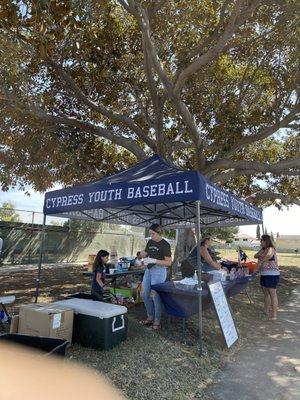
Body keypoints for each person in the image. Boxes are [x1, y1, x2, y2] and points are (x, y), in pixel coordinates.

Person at [139, 224, 172, 330]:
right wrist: (143, 255)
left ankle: (157, 321)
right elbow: (147, 254)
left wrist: (154, 261)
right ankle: (150, 317)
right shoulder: (150, 241)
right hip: (149, 270)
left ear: (159, 233)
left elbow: (169, 262)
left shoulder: (165, 244)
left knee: (156, 296)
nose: (151, 236)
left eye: (153, 234)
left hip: (159, 270)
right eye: (150, 234)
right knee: (144, 294)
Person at [254, 234, 280, 321]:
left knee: (272, 294)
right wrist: (261, 254)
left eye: (261, 240)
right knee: (266, 294)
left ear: (266, 241)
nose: (260, 242)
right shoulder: (263, 249)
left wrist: (261, 260)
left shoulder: (271, 249)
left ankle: (274, 315)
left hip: (272, 274)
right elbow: (255, 255)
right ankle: (266, 310)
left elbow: (268, 256)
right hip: (264, 274)